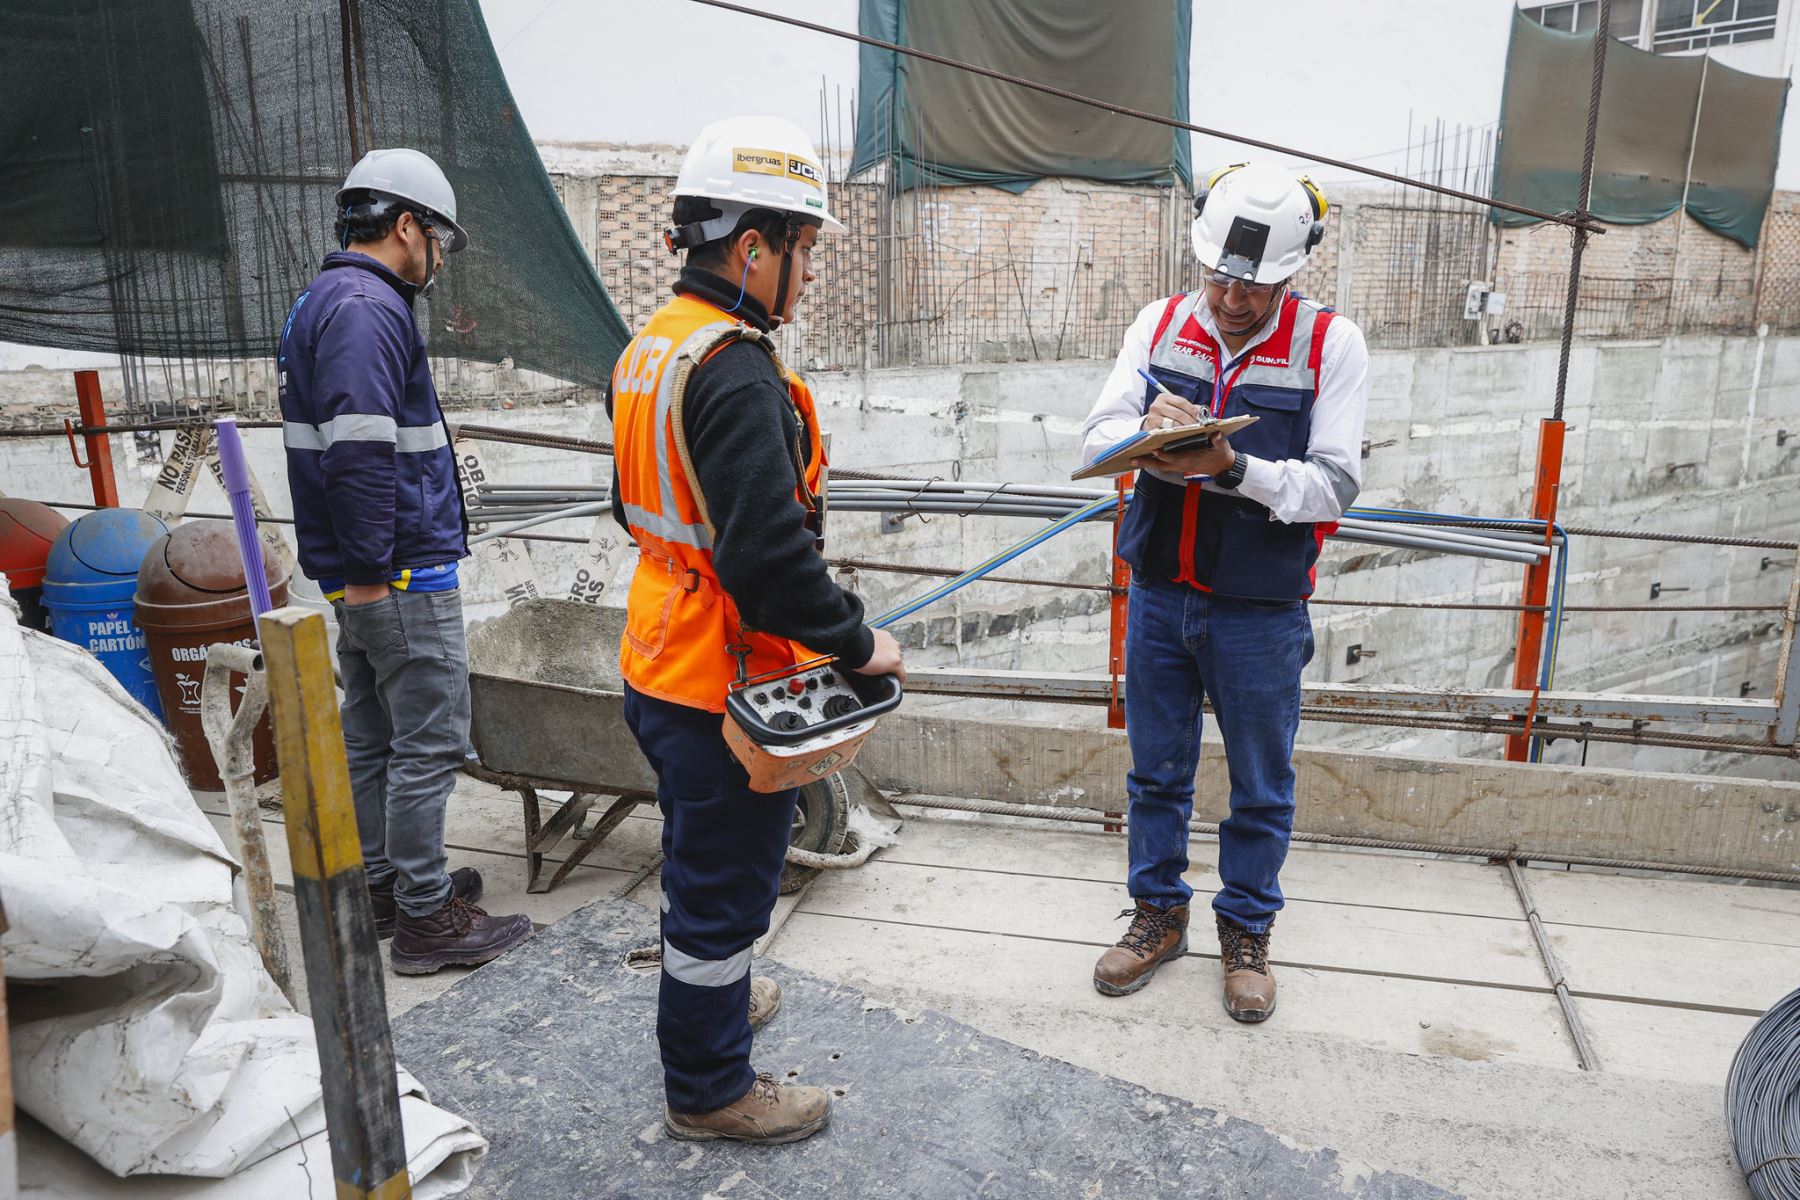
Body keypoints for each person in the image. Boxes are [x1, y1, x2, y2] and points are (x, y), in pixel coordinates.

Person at [608, 115, 905, 1144]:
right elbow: (770, 565)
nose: (810, 269)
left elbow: (639, 511)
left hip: (659, 655)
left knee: (698, 860)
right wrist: (861, 643)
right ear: (751, 250)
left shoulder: (656, 345)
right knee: (728, 889)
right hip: (721, 684)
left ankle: (712, 1003)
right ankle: (710, 1085)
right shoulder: (733, 369)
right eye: (804, 247)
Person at [1080, 162, 1370, 1022]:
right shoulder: (1159, 323)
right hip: (1161, 594)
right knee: (1155, 774)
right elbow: (1097, 434)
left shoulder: (1331, 346)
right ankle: (1157, 916)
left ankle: (1246, 932)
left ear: (1291, 271)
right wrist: (1145, 432)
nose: (1232, 297)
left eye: (1255, 285)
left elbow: (1334, 485)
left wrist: (1233, 468)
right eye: (1219, 277)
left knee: (1261, 784)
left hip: (1262, 610)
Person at [278, 147, 533, 975]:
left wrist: (354, 582)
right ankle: (427, 920)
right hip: (397, 575)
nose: (437, 261)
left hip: (364, 575)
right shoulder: (365, 308)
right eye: (438, 242)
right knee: (427, 744)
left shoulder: (325, 300)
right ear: (404, 226)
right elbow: (358, 455)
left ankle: (390, 886)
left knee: (376, 736)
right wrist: (369, 579)